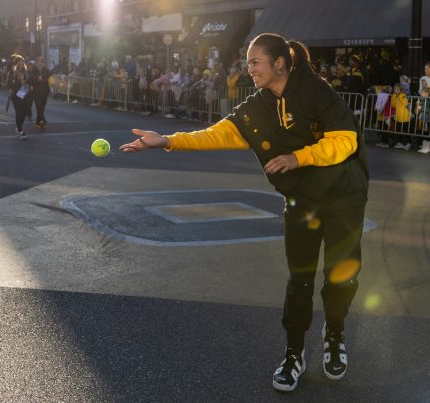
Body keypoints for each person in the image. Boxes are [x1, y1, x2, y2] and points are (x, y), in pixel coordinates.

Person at [120, 33, 367, 392]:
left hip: (344, 197)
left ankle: (334, 335)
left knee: (340, 277)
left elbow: (346, 140)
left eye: (255, 62)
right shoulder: (259, 106)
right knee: (299, 280)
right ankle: (294, 353)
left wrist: (298, 157)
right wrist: (168, 140)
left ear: (279, 63)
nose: (248, 69)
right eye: (247, 62)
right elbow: (218, 134)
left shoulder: (316, 90)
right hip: (302, 201)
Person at [6, 59, 32, 140]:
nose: (21, 63)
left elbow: (31, 82)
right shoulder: (12, 73)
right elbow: (9, 84)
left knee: (23, 114)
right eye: (19, 62)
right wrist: (19, 83)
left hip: (25, 95)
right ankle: (20, 131)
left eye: (22, 62)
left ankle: (18, 127)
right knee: (19, 112)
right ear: (16, 64)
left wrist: (27, 84)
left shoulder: (26, 72)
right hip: (16, 96)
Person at [29, 56, 53, 128]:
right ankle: (42, 121)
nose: (40, 63)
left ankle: (39, 122)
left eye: (41, 62)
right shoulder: (33, 71)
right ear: (36, 63)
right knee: (38, 106)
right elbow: (30, 79)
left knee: (42, 107)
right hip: (36, 92)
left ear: (44, 63)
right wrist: (36, 79)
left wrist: (53, 82)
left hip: (45, 91)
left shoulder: (47, 71)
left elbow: (51, 79)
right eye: (38, 62)